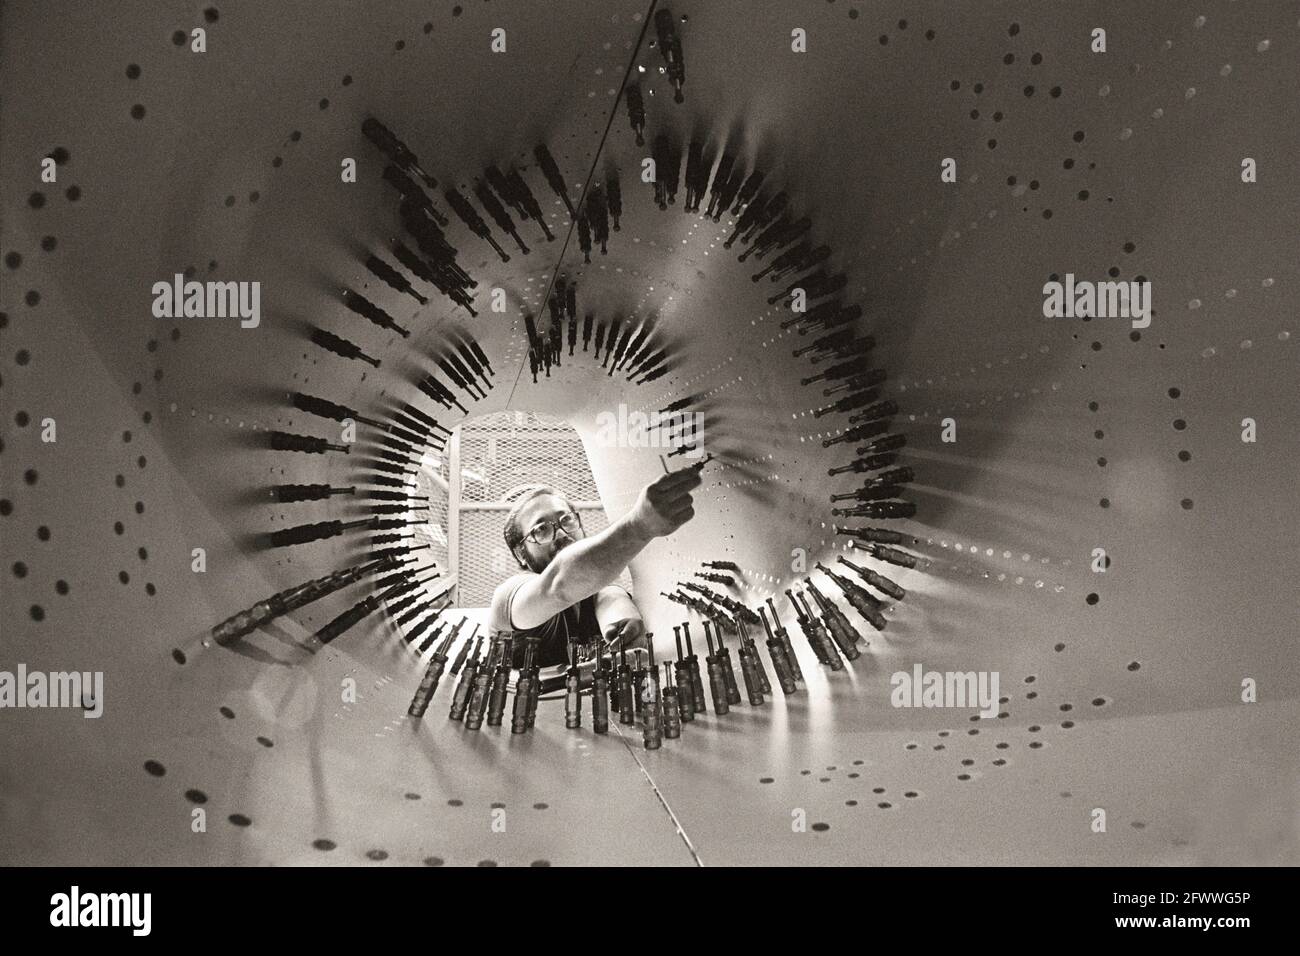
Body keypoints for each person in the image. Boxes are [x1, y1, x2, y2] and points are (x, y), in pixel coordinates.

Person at [487, 464, 703, 671]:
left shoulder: (597, 587)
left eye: (566, 520)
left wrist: (622, 625)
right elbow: (559, 585)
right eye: (541, 529)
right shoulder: (510, 596)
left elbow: (608, 595)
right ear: (520, 554)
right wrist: (639, 525)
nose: (561, 533)